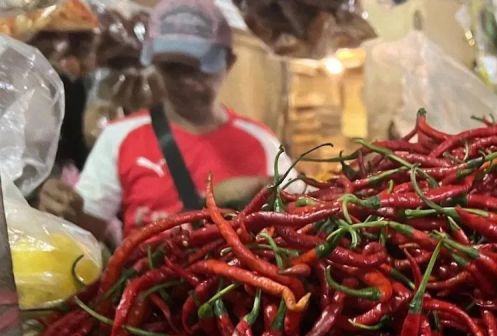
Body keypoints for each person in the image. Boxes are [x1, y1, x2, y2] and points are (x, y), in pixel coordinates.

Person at [36, 0, 301, 246]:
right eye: (171, 68)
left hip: (243, 293)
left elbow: (305, 214)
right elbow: (93, 226)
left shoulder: (261, 141)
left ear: (228, 62)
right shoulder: (120, 137)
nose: (185, 81)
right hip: (149, 293)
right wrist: (64, 207)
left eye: (198, 67)